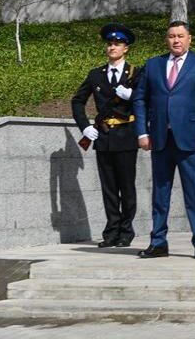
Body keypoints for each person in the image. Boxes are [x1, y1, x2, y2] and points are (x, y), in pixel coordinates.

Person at [133, 21, 195, 260]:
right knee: (160, 193)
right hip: (160, 139)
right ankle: (158, 242)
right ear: (167, 39)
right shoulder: (153, 65)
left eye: (180, 36)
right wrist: (142, 132)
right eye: (172, 36)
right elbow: (140, 99)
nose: (176, 40)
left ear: (189, 38)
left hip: (192, 140)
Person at [71, 23, 141, 248]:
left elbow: (148, 102)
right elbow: (77, 100)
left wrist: (131, 96)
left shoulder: (136, 73)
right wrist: (84, 127)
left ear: (126, 48)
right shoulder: (95, 75)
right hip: (103, 136)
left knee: (127, 187)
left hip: (126, 135)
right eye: (110, 43)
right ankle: (111, 231)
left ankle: (126, 230)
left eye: (117, 44)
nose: (112, 47)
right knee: (109, 188)